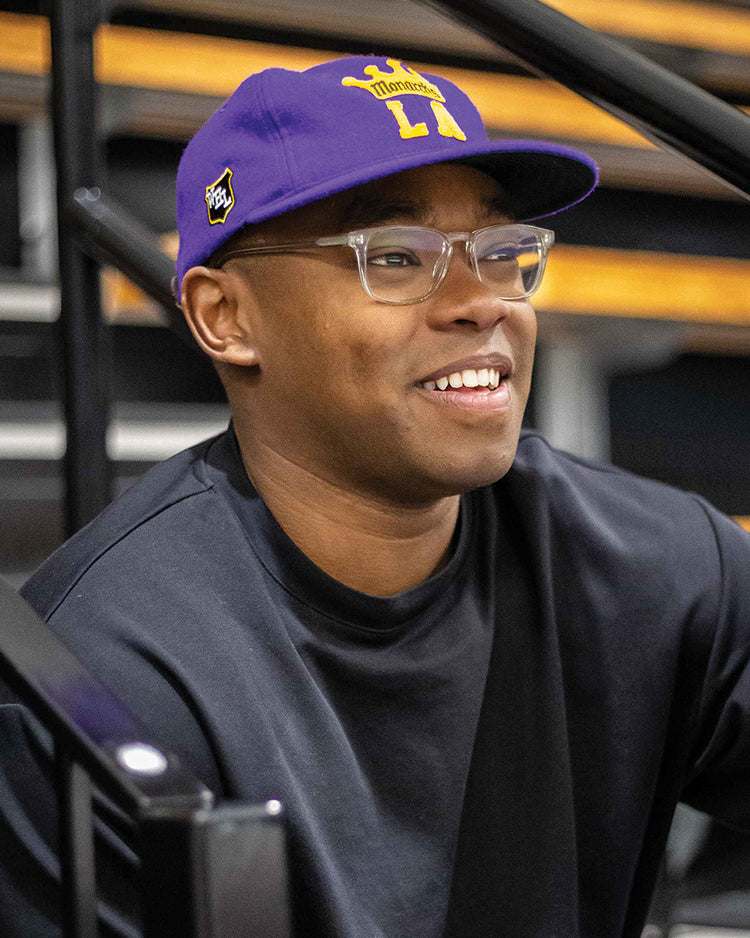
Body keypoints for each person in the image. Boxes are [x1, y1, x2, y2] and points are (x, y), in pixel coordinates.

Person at [2, 54, 749, 938]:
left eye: (504, 253)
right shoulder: (107, 669)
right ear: (225, 317)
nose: (482, 304)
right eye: (396, 258)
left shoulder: (656, 564)